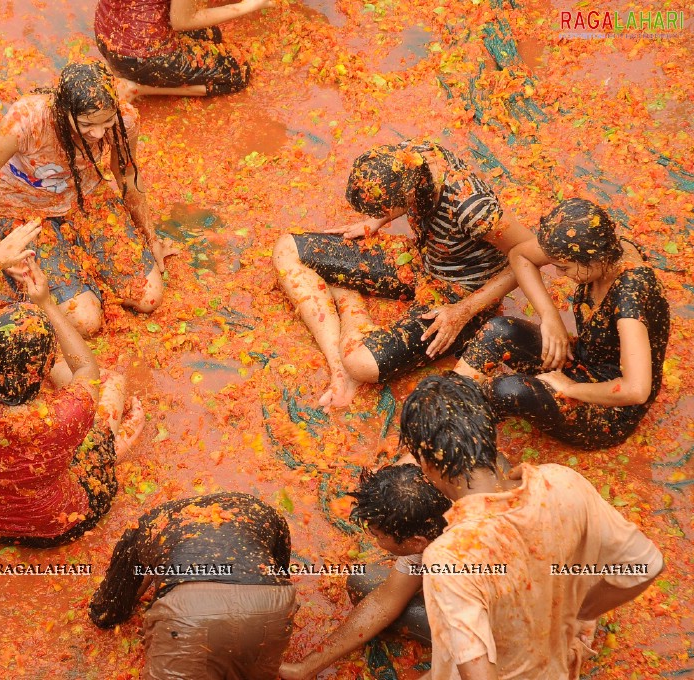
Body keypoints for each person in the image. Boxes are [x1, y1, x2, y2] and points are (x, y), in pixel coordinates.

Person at [400, 374, 663, 679]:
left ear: (428, 465)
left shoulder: (453, 557)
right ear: (489, 435)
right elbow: (646, 565)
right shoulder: (561, 482)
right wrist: (580, 614)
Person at [0, 222, 144, 546]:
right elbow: (85, 366)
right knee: (112, 384)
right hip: (60, 521)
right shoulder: (69, 411)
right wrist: (45, 302)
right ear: (44, 368)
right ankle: (116, 446)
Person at [272, 139, 534, 409]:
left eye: (384, 210)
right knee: (287, 248)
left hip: (459, 294)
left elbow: (528, 255)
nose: (383, 215)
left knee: (360, 363)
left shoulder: (474, 209)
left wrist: (464, 311)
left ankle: (347, 301)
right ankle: (338, 366)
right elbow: (393, 189)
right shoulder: (409, 157)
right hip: (419, 260)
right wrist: (373, 222)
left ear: (408, 193)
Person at [0, 61, 175, 337]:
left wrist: (150, 237)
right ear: (63, 111)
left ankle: (85, 272)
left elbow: (127, 175)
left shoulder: (125, 119)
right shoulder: (26, 121)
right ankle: (68, 285)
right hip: (23, 212)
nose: (98, 134)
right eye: (86, 124)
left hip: (88, 202)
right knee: (85, 322)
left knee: (149, 297)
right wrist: (1, 255)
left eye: (106, 122)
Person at [455, 198, 670, 449]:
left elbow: (636, 389)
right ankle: (449, 400)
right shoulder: (598, 249)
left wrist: (570, 388)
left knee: (510, 390)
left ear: (591, 261)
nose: (558, 274)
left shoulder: (630, 295)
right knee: (498, 331)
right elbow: (520, 254)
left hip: (610, 407)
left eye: (563, 268)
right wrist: (550, 316)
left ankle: (455, 433)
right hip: (580, 357)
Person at [89, 492, 297, 679]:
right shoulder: (262, 511)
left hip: (189, 614)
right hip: (270, 608)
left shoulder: (149, 524)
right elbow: (279, 573)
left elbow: (107, 611)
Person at [279, 464, 450, 679]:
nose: (376, 541)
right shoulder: (435, 515)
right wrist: (305, 667)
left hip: (492, 630)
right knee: (364, 581)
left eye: (379, 535)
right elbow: (383, 602)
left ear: (417, 542)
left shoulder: (468, 568)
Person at [93, 0, 274, 98]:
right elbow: (182, 22)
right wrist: (247, 6)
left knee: (212, 34)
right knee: (238, 74)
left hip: (106, 34)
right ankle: (138, 88)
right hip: (143, 57)